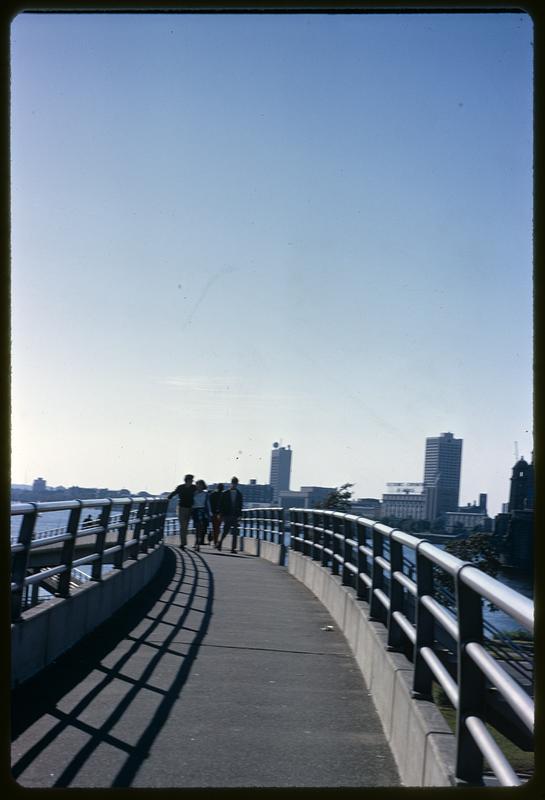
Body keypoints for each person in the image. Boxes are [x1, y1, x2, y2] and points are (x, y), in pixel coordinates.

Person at [168, 474, 196, 550]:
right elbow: (174, 493)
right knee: (182, 526)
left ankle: (183, 542)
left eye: (192, 480)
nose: (192, 481)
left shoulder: (194, 488)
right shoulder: (180, 487)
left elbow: (198, 494)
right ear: (187, 480)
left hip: (190, 508)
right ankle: (183, 543)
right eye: (191, 480)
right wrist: (168, 498)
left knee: (186, 526)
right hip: (181, 508)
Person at [217, 476, 243, 553]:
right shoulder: (225, 493)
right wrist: (220, 514)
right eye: (233, 483)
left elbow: (240, 505)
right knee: (225, 530)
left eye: (236, 483)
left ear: (237, 484)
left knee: (235, 532)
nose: (234, 485)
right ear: (231, 483)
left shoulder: (239, 494)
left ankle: (233, 548)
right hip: (227, 514)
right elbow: (220, 504)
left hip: (235, 515)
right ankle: (220, 542)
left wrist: (240, 515)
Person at [192, 479, 211, 552]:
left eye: (200, 485)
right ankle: (197, 542)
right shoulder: (194, 493)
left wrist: (210, 514)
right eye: (197, 484)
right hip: (195, 511)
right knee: (197, 528)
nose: (199, 486)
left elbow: (208, 504)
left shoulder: (205, 494)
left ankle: (198, 544)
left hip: (202, 511)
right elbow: (192, 503)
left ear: (203, 486)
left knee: (200, 529)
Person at [209, 483, 224, 547]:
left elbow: (210, 503)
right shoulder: (223, 494)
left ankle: (214, 539)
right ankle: (215, 541)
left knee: (216, 528)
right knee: (217, 528)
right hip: (219, 513)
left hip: (215, 513)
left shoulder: (213, 494)